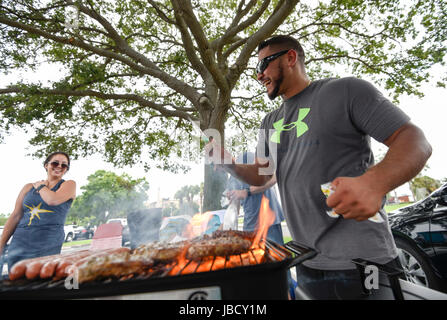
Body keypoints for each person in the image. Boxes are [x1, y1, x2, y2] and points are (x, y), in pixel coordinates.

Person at [206, 35, 432, 299]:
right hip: (306, 260)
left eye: (263, 66)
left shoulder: (346, 91)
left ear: (290, 58)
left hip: (363, 262)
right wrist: (230, 164)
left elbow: (414, 139)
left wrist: (375, 182)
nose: (259, 76)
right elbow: (262, 172)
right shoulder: (269, 121)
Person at [0, 151, 76, 273]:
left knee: (40, 279)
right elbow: (15, 216)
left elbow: (52, 200)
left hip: (48, 242)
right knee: (15, 279)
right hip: (20, 242)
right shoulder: (28, 187)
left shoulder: (69, 184)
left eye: (64, 165)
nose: (59, 167)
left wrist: (41, 187)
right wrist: (2, 243)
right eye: (55, 163)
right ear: (46, 165)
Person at [225, 152, 285, 245]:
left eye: (215, 165)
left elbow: (274, 178)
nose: (215, 169)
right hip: (249, 227)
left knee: (278, 256)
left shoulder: (247, 157)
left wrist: (247, 192)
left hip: (269, 222)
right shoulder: (231, 179)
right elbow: (235, 205)